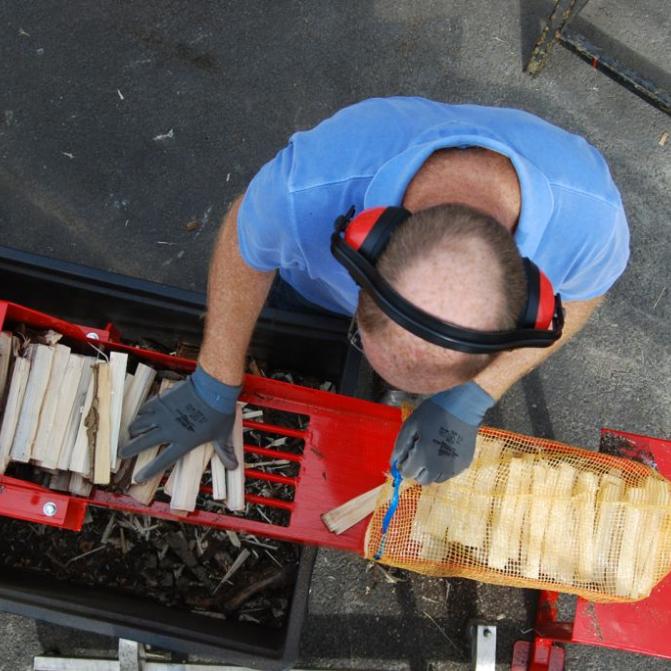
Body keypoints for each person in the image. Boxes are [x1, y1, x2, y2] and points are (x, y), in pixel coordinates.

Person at [121, 96, 629, 485]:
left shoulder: (591, 221)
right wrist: (215, 378)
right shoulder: (312, 185)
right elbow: (244, 238)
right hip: (308, 279)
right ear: (361, 250)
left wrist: (473, 397)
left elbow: (587, 292)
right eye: (363, 343)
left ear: (533, 309)